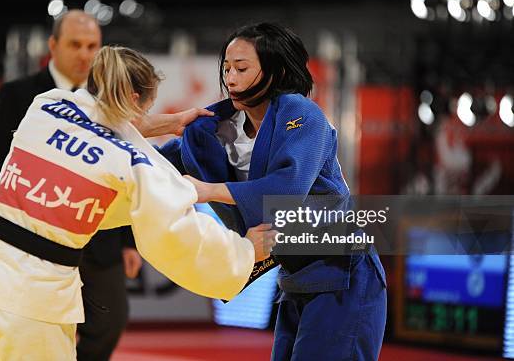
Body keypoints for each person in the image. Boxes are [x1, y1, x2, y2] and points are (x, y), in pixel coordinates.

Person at [0, 45, 276, 360]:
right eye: (147, 108)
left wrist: (171, 122)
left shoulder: (45, 106)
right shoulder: (132, 163)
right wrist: (245, 251)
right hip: (33, 308)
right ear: (135, 100)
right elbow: (177, 233)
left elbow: (99, 119)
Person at [160, 22, 387, 360]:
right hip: (293, 277)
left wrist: (208, 191)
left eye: (241, 68)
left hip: (344, 272)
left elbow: (288, 190)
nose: (231, 79)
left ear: (276, 71)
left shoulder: (302, 115)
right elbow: (147, 165)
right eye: (226, 69)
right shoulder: (209, 129)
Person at [0, 9, 138, 360]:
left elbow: (127, 171)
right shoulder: (17, 95)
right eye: (75, 44)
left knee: (111, 321)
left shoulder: (110, 102)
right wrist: (1, 237)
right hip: (36, 241)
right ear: (53, 45)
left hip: (100, 239)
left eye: (92, 46)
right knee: (38, 328)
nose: (85, 54)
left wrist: (130, 241)